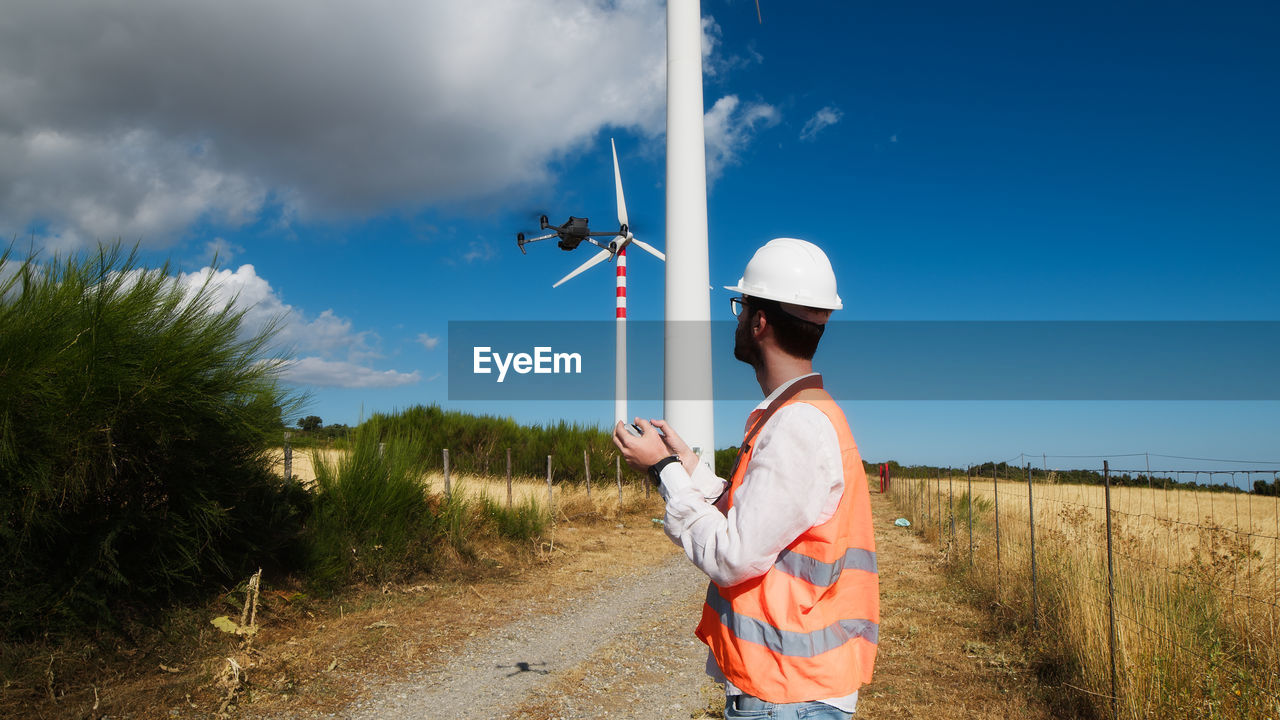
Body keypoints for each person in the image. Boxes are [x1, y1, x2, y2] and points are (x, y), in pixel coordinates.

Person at [613, 238, 879, 720]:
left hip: (789, 695)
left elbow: (733, 555)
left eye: (740, 307)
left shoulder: (799, 425)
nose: (735, 320)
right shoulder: (798, 415)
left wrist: (661, 469)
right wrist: (686, 466)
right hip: (791, 688)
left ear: (758, 322)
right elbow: (760, 517)